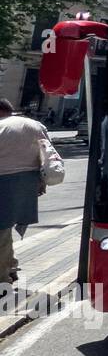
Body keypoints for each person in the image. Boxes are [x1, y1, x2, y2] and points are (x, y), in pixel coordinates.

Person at [0, 99, 52, 285]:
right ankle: (11, 267)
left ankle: (2, 280)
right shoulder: (35, 125)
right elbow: (47, 155)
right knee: (5, 229)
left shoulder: (2, 126)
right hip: (28, 182)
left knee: (1, 230)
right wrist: (41, 182)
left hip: (4, 182)